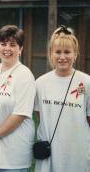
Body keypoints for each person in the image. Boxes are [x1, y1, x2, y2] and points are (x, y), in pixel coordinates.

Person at [0, 25, 35, 172]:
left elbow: (20, 113)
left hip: (13, 151)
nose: (7, 48)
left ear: (20, 49)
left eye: (13, 45)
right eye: (3, 44)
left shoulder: (25, 75)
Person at [34, 26, 90, 172]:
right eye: (58, 52)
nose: (62, 57)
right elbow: (40, 116)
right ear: (51, 54)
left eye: (67, 52)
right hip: (50, 152)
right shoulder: (40, 83)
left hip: (77, 152)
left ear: (75, 54)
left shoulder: (86, 82)